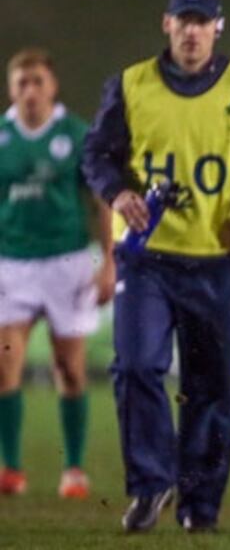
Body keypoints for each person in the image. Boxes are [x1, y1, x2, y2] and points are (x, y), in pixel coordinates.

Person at [81, 0, 230, 533]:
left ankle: (199, 507)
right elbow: (96, 154)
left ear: (217, 28)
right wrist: (118, 192)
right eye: (182, 20)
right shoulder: (132, 86)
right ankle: (150, 483)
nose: (191, 31)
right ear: (167, 26)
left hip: (215, 259)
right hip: (146, 257)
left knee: (212, 387)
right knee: (135, 366)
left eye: (201, 21)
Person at [0, 48, 115, 499]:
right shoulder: (2, 137)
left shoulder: (76, 134)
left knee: (68, 368)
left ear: (53, 87)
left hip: (66, 262)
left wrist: (109, 259)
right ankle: (11, 468)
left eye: (38, 82)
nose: (30, 90)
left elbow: (101, 200)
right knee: (5, 364)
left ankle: (73, 469)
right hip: (11, 264)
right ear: (11, 89)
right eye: (22, 82)